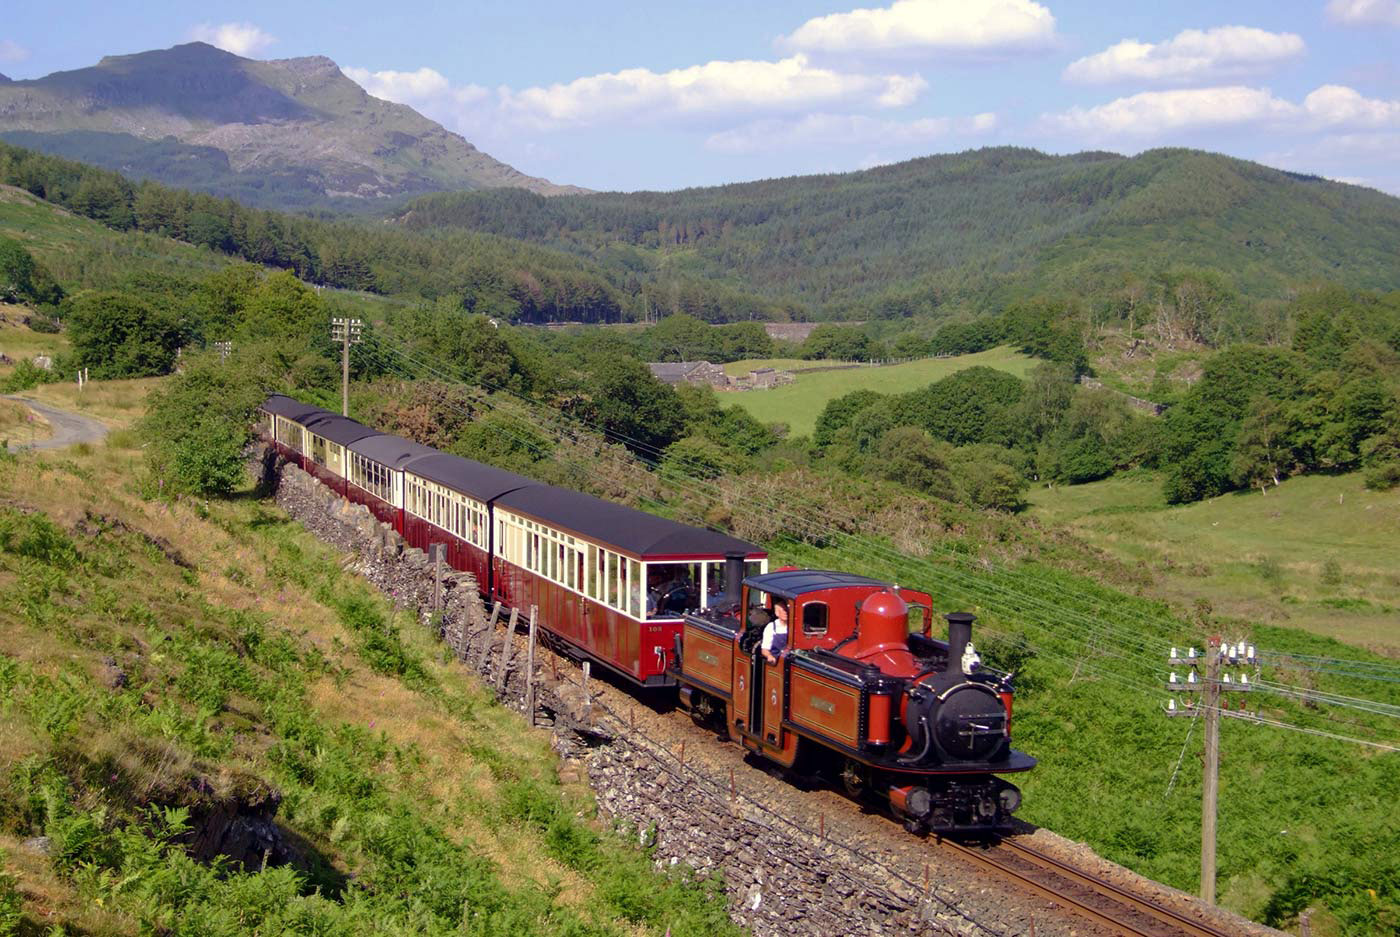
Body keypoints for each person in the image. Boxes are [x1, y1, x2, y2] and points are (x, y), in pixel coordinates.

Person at [761, 598, 789, 664]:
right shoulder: (771, 627)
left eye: (787, 610)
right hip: (776, 660)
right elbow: (765, 649)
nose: (786, 612)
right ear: (777, 613)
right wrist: (769, 656)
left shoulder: (794, 627)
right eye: (783, 610)